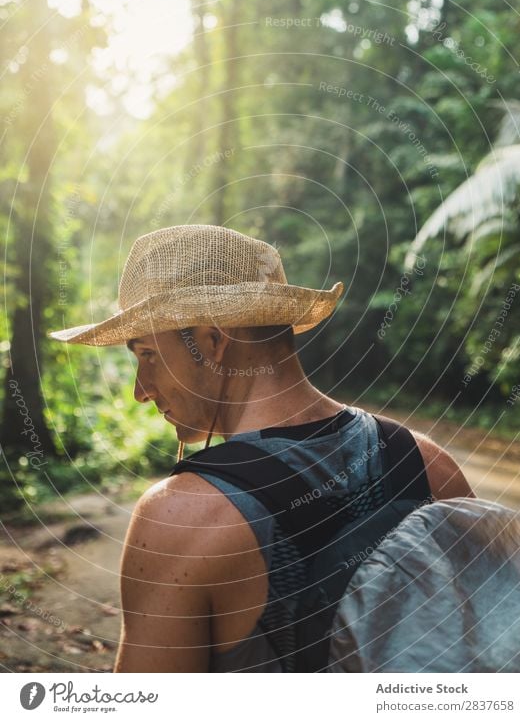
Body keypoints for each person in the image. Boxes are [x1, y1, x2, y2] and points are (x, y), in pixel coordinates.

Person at [50, 224, 475, 672]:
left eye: (147, 354)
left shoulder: (178, 518)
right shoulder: (429, 463)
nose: (140, 390)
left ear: (212, 341)